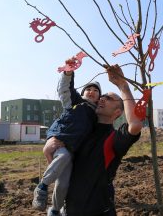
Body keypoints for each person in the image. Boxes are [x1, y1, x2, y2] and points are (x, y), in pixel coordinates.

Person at [43, 64, 143, 216]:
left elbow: (135, 124)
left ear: (117, 113)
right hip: (70, 211)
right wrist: (51, 141)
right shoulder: (83, 132)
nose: (102, 98)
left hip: (99, 211)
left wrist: (122, 86)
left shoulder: (114, 138)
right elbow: (63, 159)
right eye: (102, 97)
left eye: (108, 98)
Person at [32, 57, 102, 216]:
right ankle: (42, 187)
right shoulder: (76, 102)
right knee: (62, 157)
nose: (91, 91)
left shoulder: (96, 116)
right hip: (60, 142)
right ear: (83, 92)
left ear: (99, 97)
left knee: (63, 184)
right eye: (88, 89)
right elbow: (64, 89)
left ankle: (55, 210)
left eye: (96, 90)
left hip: (73, 152)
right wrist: (68, 73)